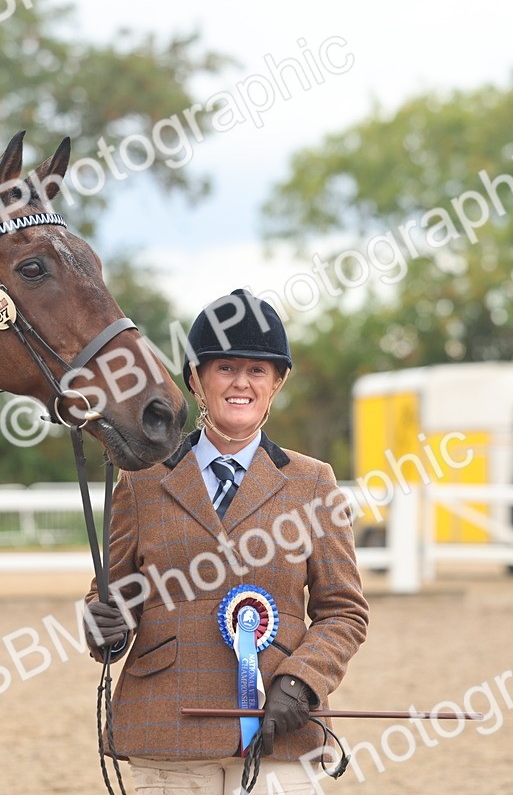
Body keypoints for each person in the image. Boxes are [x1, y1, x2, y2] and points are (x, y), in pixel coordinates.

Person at [84, 289, 370, 794]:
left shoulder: (314, 483)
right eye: (226, 368)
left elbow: (343, 611)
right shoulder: (142, 481)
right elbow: (116, 595)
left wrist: (300, 681)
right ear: (196, 379)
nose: (242, 382)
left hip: (280, 726)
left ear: (277, 383)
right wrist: (102, 624)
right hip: (167, 725)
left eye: (257, 370)